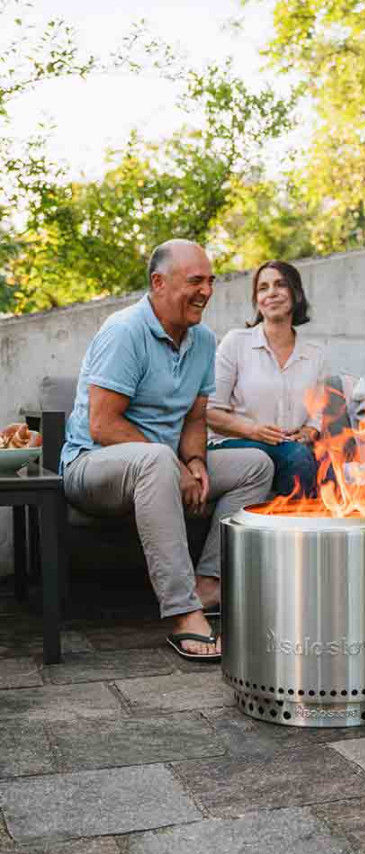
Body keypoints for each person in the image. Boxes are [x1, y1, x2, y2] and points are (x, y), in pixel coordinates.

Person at [60, 240, 274, 660]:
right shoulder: (125, 331)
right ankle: (181, 613)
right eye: (195, 281)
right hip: (92, 467)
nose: (207, 291)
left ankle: (208, 583)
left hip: (162, 464)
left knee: (256, 465)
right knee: (157, 459)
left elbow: (195, 417)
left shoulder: (203, 340)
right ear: (158, 283)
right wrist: (174, 463)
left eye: (210, 281)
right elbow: (103, 425)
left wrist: (194, 461)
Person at [206, 260, 325, 497]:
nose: (271, 293)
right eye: (263, 288)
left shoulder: (315, 353)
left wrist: (308, 433)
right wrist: (252, 430)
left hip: (290, 447)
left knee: (331, 466)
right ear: (257, 301)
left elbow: (316, 417)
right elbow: (209, 412)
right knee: (298, 458)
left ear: (296, 294)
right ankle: (292, 529)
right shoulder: (236, 342)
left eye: (280, 285)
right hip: (236, 443)